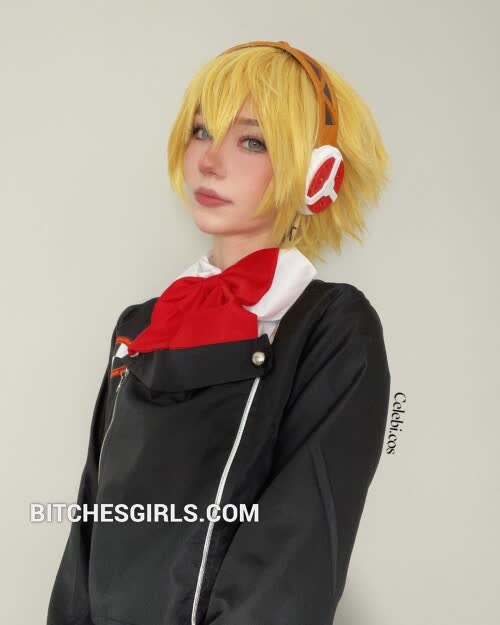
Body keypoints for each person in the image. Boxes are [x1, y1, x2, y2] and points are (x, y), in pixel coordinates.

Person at [47, 40, 391, 625]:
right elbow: (91, 527)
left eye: (252, 142)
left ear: (318, 174)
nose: (209, 161)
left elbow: (297, 554)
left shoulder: (332, 326)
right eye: (202, 132)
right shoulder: (139, 326)